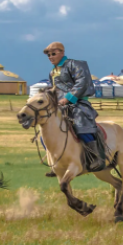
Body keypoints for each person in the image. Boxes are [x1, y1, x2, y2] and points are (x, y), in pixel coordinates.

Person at [44, 42, 106, 173]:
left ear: (62, 52)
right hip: (60, 105)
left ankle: (96, 157)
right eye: (48, 55)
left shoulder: (75, 64)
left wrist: (67, 98)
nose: (50, 57)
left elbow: (81, 82)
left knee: (80, 124)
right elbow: (54, 89)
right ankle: (55, 161)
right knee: (45, 130)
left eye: (53, 53)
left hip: (78, 103)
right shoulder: (52, 72)